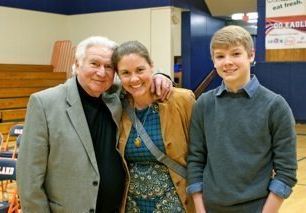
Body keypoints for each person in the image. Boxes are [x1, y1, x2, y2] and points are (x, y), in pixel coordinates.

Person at [16, 36, 173, 213]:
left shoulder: (115, 95)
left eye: (108, 67)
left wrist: (161, 75)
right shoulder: (44, 103)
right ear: (77, 63)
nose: (101, 72)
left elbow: (139, 73)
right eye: (94, 64)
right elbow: (29, 177)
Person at [186, 25, 297, 213]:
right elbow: (196, 159)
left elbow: (286, 172)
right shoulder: (203, 104)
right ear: (213, 61)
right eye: (220, 56)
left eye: (236, 54)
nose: (227, 62)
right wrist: (200, 207)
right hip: (210, 208)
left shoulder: (275, 106)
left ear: (251, 55)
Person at [111, 40, 195, 212]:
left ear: (152, 67)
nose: (134, 79)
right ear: (118, 76)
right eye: (125, 73)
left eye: (140, 70)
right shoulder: (117, 106)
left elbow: (201, 153)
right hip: (132, 205)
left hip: (175, 202)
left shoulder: (181, 100)